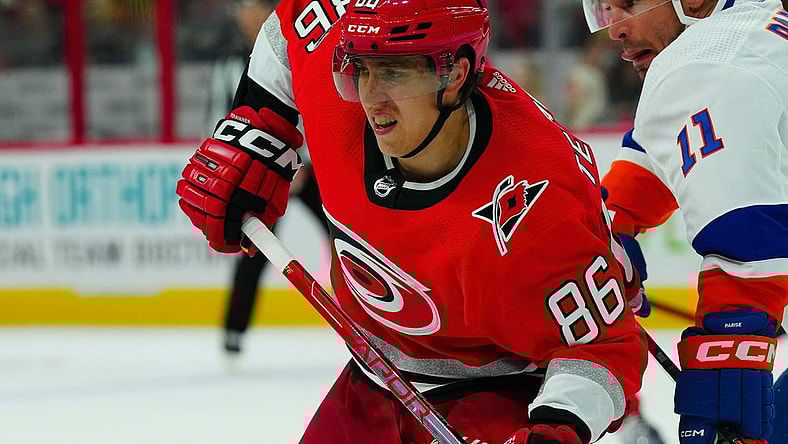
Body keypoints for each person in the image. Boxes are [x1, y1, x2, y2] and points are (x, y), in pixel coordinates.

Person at [176, 0, 649, 442]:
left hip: (500, 389)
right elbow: (293, 25)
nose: (371, 99)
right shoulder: (339, 95)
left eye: (395, 73)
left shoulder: (537, 204)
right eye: (360, 69)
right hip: (373, 375)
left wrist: (553, 433)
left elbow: (606, 350)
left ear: (456, 75)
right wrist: (255, 126)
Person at [582, 0, 788, 443]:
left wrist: (726, 384)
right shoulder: (748, 26)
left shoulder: (705, 58)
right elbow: (662, 153)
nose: (614, 29)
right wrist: (611, 221)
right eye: (604, 9)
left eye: (628, 4)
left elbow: (747, 243)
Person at [204, 0, 328, 355]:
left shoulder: (300, 49)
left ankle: (373, 319)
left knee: (345, 238)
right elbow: (219, 116)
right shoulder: (229, 62)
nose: (245, 15)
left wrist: (301, 161)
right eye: (241, 8)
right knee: (254, 248)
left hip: (306, 168)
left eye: (251, 7)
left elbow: (312, 110)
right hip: (258, 171)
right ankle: (234, 331)